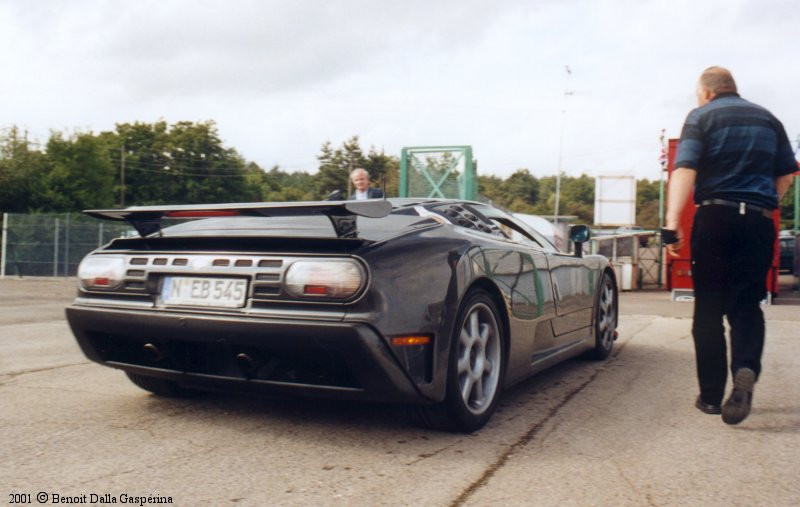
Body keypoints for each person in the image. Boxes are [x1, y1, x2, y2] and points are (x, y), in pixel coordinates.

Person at [664, 66, 796, 425]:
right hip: (757, 221)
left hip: (715, 219)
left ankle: (710, 397)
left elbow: (685, 169)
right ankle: (746, 369)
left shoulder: (701, 116)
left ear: (706, 92)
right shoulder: (769, 119)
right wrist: (768, 202)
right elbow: (787, 173)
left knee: (707, 309)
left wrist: (671, 225)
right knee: (747, 305)